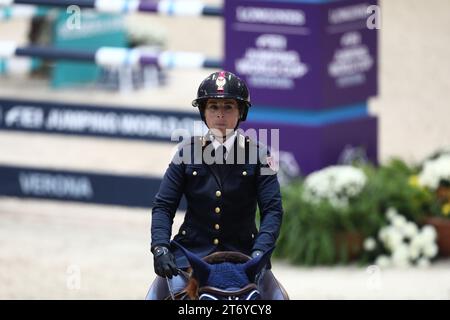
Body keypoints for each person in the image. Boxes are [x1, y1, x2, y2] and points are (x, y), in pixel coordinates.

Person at [146, 71, 285, 300]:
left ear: (241, 111)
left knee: (278, 298)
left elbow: (272, 210)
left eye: (228, 107)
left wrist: (260, 251)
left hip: (243, 256)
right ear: (204, 112)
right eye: (213, 107)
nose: (220, 115)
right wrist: (160, 246)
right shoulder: (185, 154)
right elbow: (163, 205)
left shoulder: (261, 155)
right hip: (191, 255)